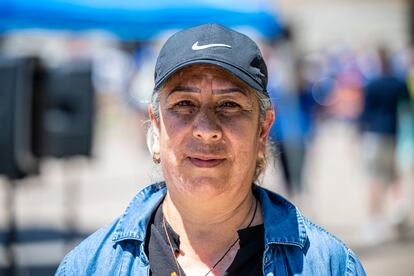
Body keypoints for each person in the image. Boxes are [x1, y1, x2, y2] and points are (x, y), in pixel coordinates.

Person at [56, 24, 365, 275]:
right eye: (184, 104)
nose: (206, 128)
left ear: (262, 130)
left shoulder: (330, 266)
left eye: (229, 105)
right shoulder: (89, 267)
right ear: (156, 124)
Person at [359, 47, 411, 244]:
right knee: (393, 174)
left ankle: (374, 220)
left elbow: (364, 113)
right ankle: (398, 206)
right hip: (393, 134)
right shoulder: (398, 82)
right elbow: (406, 107)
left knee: (375, 178)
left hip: (373, 135)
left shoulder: (371, 84)